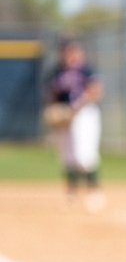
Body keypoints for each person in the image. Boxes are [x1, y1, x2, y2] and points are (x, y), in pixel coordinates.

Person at [44, 37, 104, 211]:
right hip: (65, 116)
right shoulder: (56, 72)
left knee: (84, 155)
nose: (70, 55)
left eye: (73, 51)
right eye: (66, 52)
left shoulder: (86, 70)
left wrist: (75, 107)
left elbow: (95, 90)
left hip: (84, 114)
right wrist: (55, 112)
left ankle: (93, 190)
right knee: (67, 155)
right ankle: (72, 192)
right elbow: (51, 94)